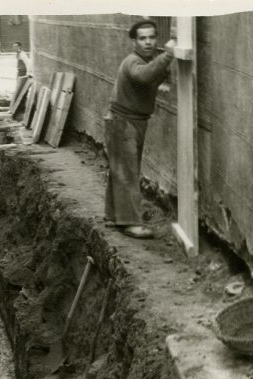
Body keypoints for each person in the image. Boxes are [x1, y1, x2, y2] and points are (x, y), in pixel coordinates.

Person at [104, 20, 175, 239]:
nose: (148, 42)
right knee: (127, 173)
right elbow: (144, 76)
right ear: (134, 41)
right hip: (123, 122)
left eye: (152, 37)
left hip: (132, 121)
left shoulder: (148, 60)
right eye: (142, 38)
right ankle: (130, 223)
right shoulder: (132, 61)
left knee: (121, 170)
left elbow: (155, 74)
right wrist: (168, 55)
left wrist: (166, 69)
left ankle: (114, 216)